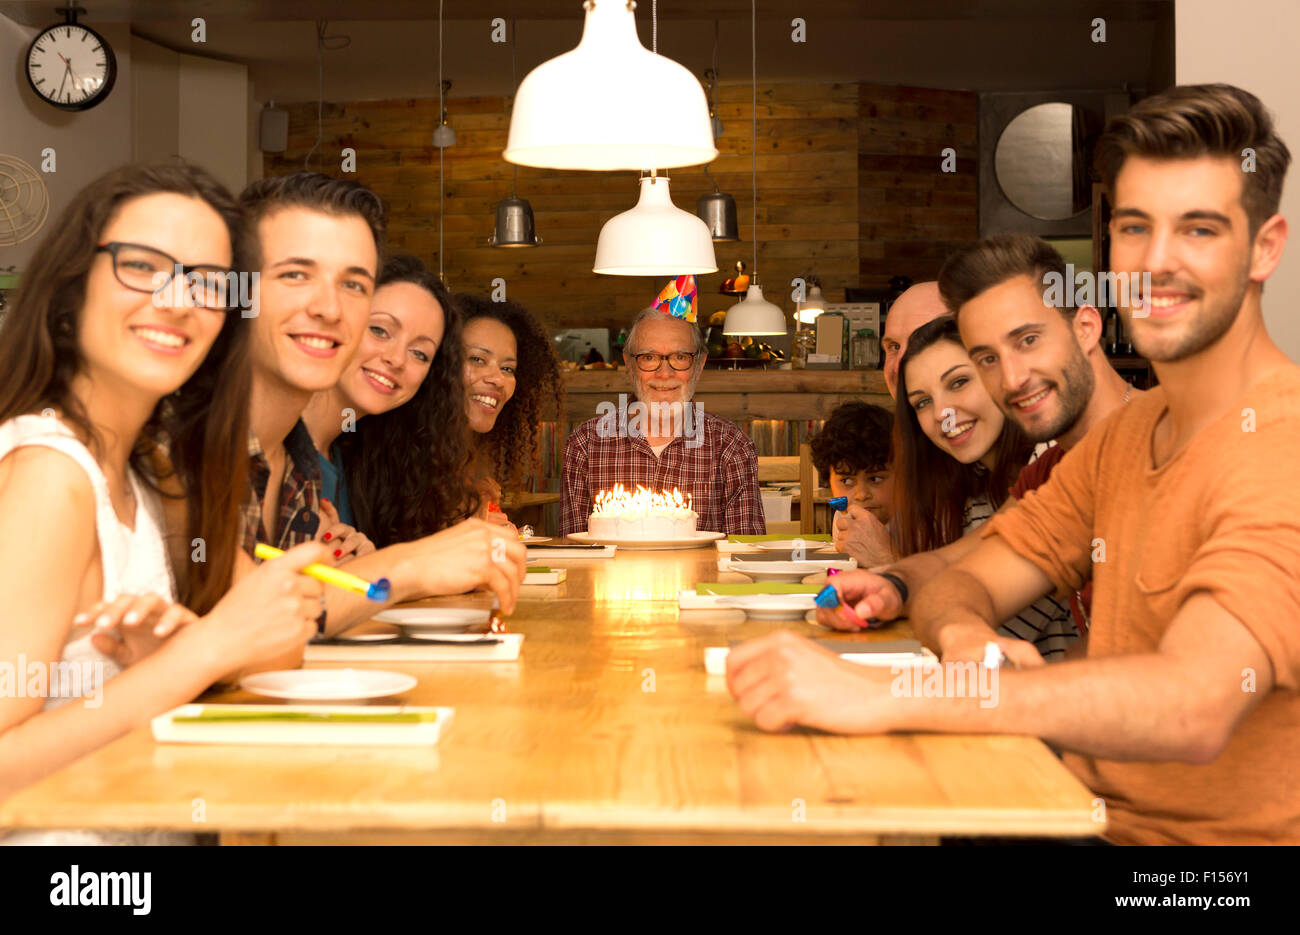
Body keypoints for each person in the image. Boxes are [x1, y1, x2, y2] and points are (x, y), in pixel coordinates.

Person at [727, 83, 1299, 845]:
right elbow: (968, 574)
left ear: (1266, 246)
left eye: (1198, 228)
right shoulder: (1126, 440)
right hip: (1076, 816)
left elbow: (1193, 703)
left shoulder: (1281, 442)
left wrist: (882, 695)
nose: (1155, 263)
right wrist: (966, 635)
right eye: (1135, 229)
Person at [0, 163, 327, 836]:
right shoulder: (50, 475)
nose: (177, 300)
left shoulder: (149, 467)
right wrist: (196, 655)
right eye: (142, 265)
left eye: (207, 282)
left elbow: (275, 643)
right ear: (71, 285)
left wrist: (171, 657)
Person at [818, 235, 1140, 659]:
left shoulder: (1178, 440)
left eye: (1027, 340)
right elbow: (961, 567)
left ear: (1086, 328)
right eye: (987, 357)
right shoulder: (1057, 468)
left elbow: (1173, 675)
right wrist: (894, 586)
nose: (1011, 378)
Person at [235, 173, 526, 635]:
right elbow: (249, 627)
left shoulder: (306, 461)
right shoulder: (193, 440)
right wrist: (408, 567)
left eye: (351, 285)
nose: (328, 308)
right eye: (295, 274)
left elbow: (295, 613)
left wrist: (362, 571)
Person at [302, 255, 478, 547]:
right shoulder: (273, 445)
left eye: (419, 353)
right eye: (380, 331)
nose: (396, 359)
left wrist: (368, 562)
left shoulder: (361, 459)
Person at [559, 304, 765, 537]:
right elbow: (575, 552)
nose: (664, 373)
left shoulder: (732, 447)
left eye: (680, 357)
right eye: (649, 357)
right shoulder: (584, 445)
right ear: (629, 365)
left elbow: (743, 554)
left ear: (698, 366)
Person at [834, 281, 949, 564]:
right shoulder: (916, 450)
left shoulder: (1027, 463)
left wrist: (885, 559)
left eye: (923, 343)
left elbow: (972, 600)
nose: (900, 365)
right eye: (894, 347)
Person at [456, 293, 563, 535]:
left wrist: (476, 511)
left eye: (507, 368)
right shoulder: (399, 452)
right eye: (477, 359)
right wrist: (469, 524)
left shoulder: (465, 451)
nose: (497, 379)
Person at [808, 402, 895, 566]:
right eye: (846, 481)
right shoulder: (844, 516)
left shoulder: (925, 521)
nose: (861, 494)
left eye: (875, 479)